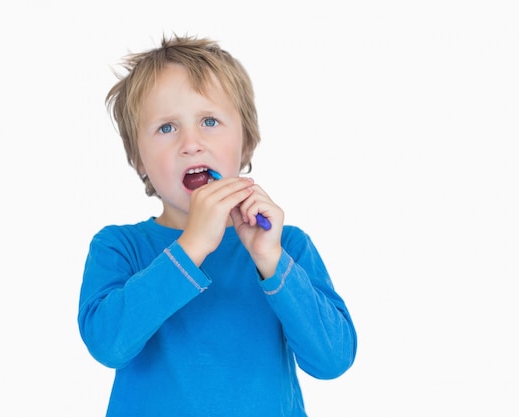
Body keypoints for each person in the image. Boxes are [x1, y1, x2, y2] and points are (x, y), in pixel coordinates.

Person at [77, 32, 357, 417]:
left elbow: (332, 360)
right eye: (166, 128)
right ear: (138, 159)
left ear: (246, 145)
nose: (191, 143)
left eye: (209, 121)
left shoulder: (285, 246)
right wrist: (191, 246)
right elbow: (108, 345)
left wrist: (271, 260)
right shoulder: (119, 246)